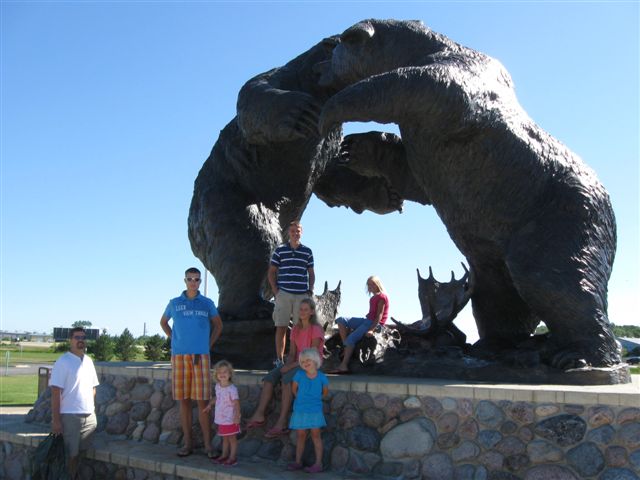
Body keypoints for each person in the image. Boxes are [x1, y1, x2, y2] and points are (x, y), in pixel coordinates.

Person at [160, 267, 223, 457]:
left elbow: (218, 325)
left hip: (200, 356)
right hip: (179, 356)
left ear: (200, 282)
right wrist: (174, 339)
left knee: (202, 401)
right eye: (190, 279)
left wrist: (208, 344)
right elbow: (163, 322)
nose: (193, 282)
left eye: (196, 279)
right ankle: (188, 444)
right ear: (185, 280)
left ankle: (208, 446)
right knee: (184, 401)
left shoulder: (207, 303)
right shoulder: (174, 303)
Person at [245, 298, 324, 438]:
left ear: (312, 312)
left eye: (306, 309)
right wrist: (286, 365)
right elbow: (293, 353)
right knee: (270, 378)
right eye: (300, 309)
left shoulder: (316, 329)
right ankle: (259, 415)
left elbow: (311, 355)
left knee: (287, 379)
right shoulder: (295, 329)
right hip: (297, 362)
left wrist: (290, 368)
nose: (302, 312)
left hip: (311, 363)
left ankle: (281, 423)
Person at [50, 327, 100, 480]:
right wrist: (56, 420)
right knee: (70, 456)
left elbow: (93, 387)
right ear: (70, 340)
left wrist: (91, 408)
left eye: (83, 337)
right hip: (70, 417)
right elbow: (55, 392)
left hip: (89, 417)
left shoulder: (89, 361)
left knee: (81, 455)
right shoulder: (63, 362)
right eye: (77, 337)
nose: (81, 340)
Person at [269, 220, 315, 367]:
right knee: (281, 326)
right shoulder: (280, 250)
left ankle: (296, 359)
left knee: (298, 329)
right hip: (284, 294)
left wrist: (310, 290)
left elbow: (311, 273)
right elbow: (272, 272)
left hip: (301, 295)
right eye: (293, 231)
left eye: (298, 231)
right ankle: (279, 359)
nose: (295, 234)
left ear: (301, 232)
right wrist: (276, 291)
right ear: (289, 232)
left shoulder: (307, 251)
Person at [330, 275, 390, 374]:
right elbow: (371, 314)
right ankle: (346, 346)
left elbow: (379, 315)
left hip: (374, 323)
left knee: (351, 339)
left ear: (377, 284)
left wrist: (371, 329)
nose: (370, 286)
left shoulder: (381, 297)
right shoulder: (373, 297)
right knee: (340, 320)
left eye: (372, 284)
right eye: (369, 284)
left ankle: (343, 366)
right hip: (367, 320)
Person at [287, 348, 329, 473]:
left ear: (315, 360)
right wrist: (300, 399)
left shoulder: (322, 377)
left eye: (308, 360)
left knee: (316, 435)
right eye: (303, 361)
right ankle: (298, 462)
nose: (305, 363)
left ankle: (318, 464)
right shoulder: (299, 374)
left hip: (315, 411)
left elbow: (325, 392)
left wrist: (316, 399)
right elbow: (294, 389)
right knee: (300, 435)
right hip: (300, 410)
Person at [204, 360, 240, 467]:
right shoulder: (218, 386)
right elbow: (217, 398)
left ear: (230, 374)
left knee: (232, 439)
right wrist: (210, 404)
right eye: (220, 372)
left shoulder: (232, 389)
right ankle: (224, 455)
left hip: (230, 418)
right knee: (224, 438)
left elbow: (236, 403)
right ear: (216, 375)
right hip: (221, 419)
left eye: (225, 372)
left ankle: (232, 458)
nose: (222, 374)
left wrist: (237, 416)